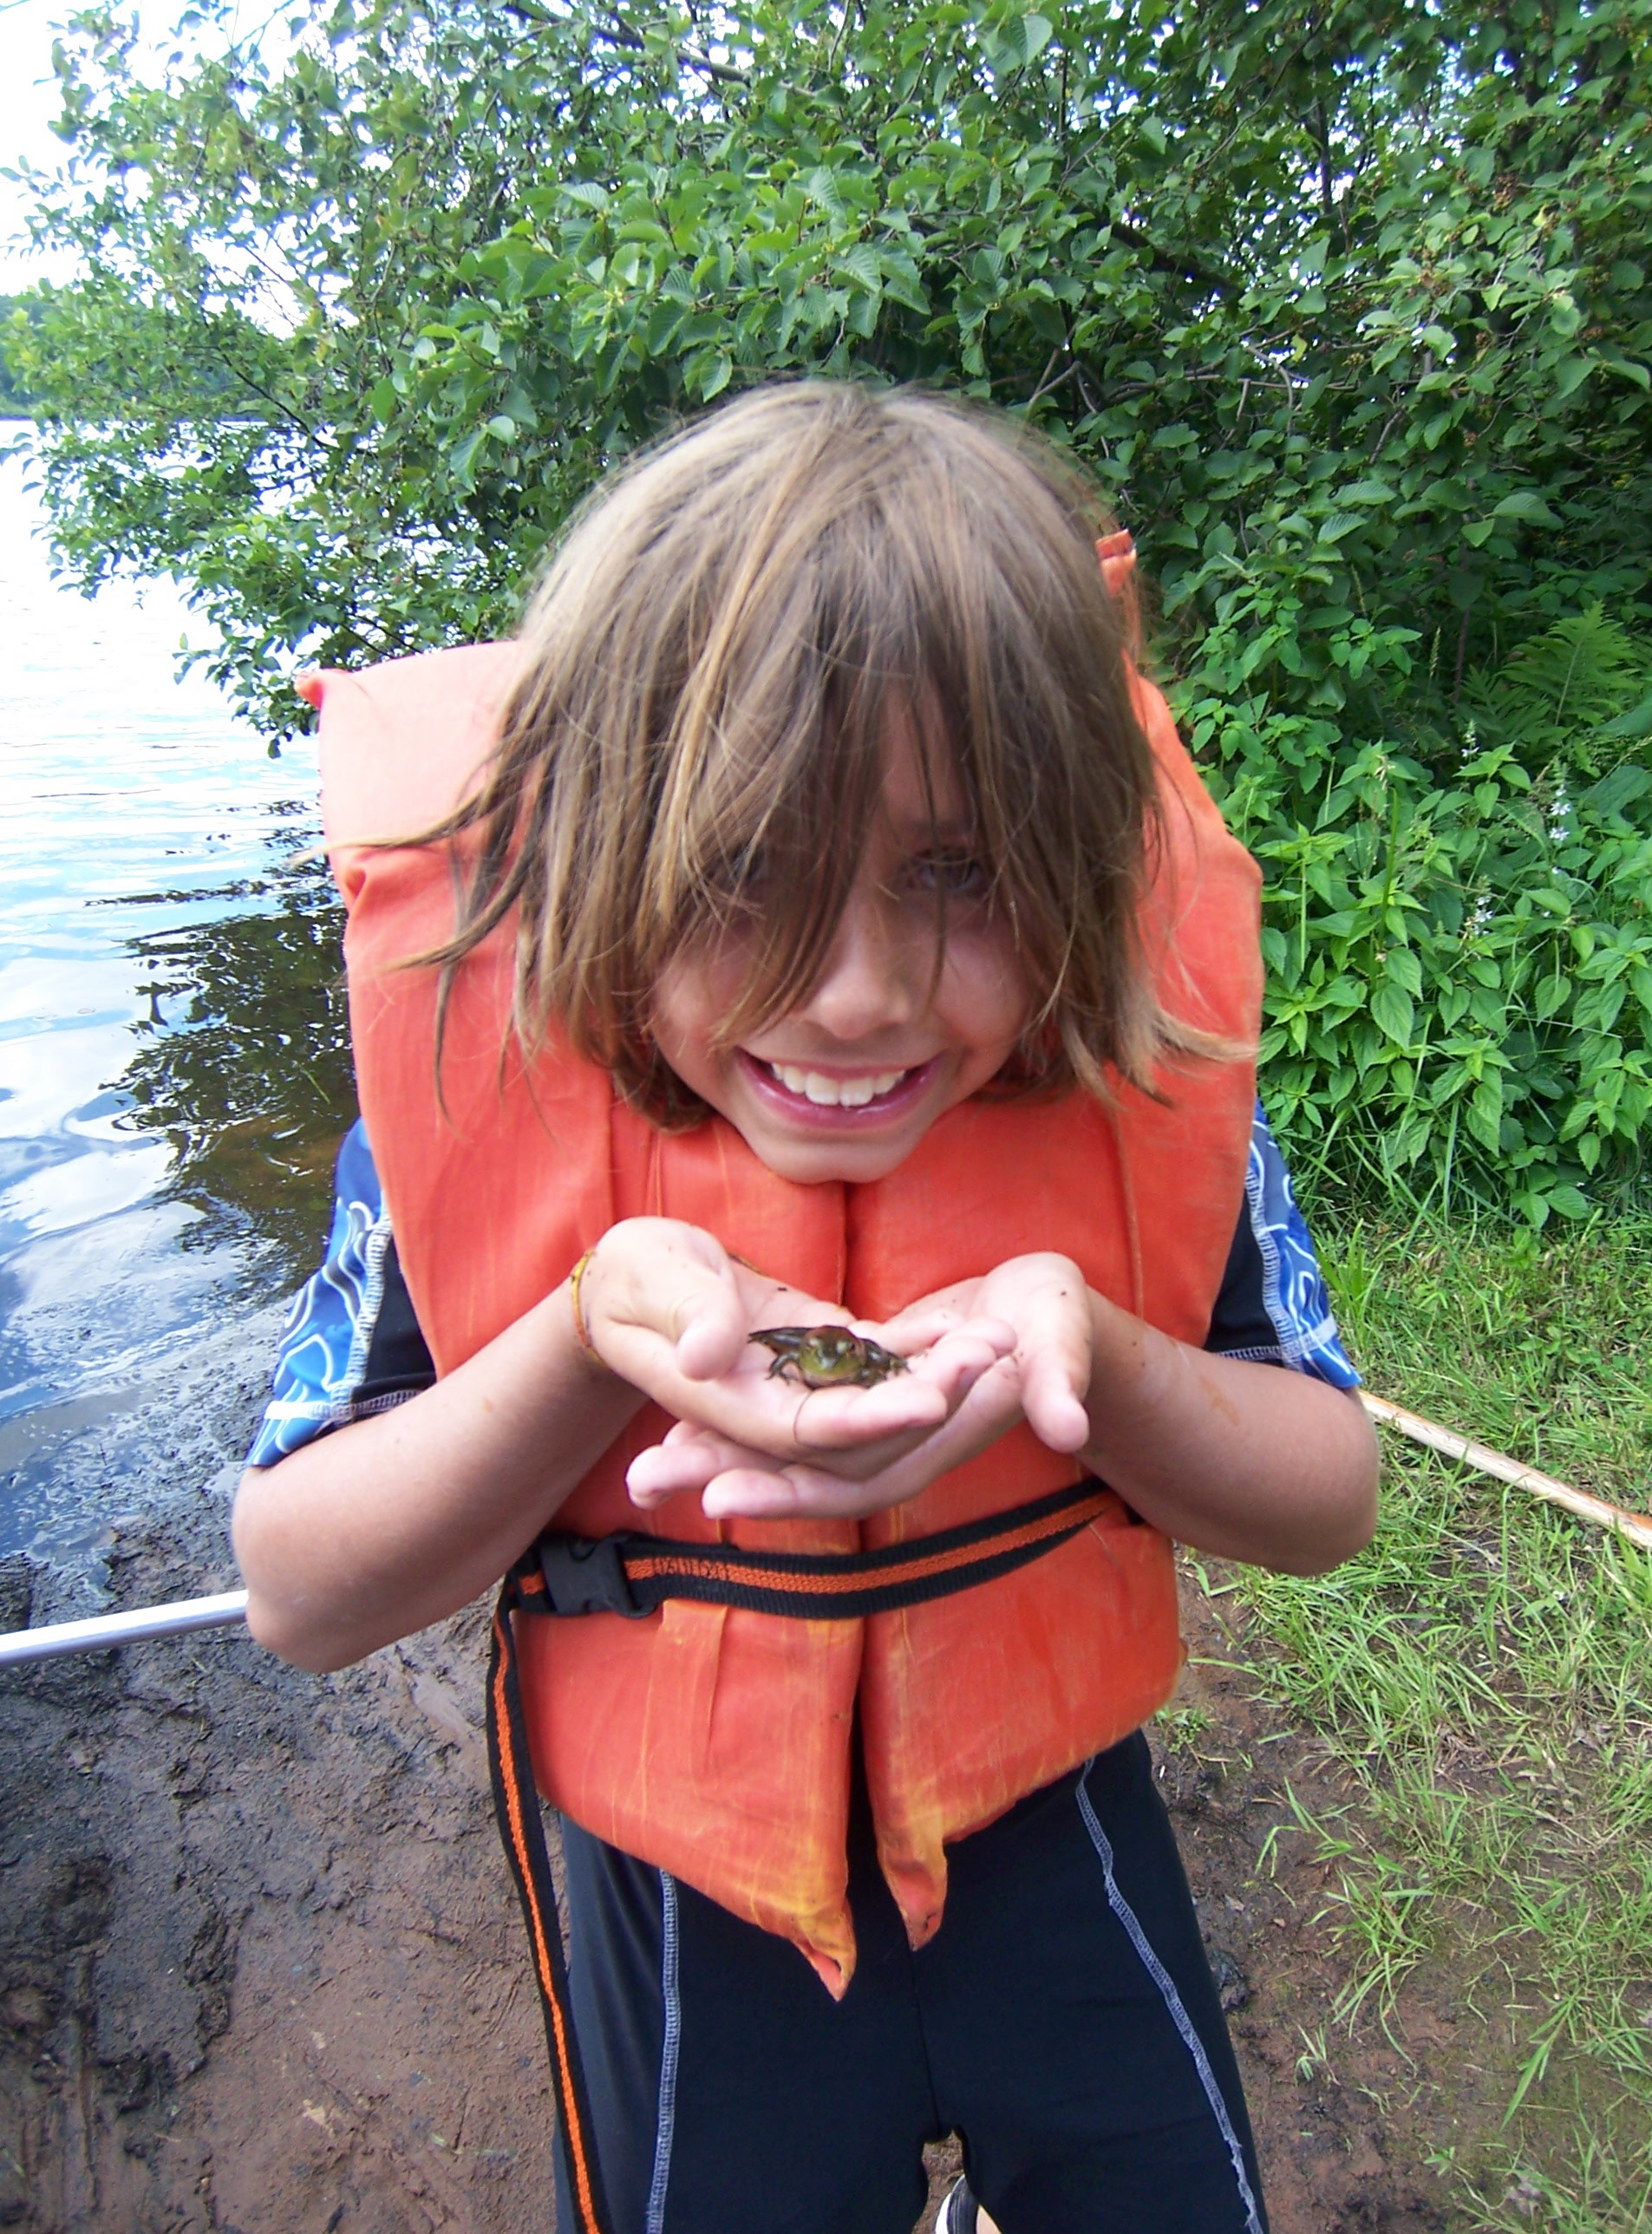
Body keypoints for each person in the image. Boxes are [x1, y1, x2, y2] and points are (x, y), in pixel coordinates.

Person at [232, 382, 1378, 2234]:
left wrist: (1096, 1356)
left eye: (959, 871)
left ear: (1078, 857)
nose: (855, 994)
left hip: (1055, 1829)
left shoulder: (1134, 1072)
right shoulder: (471, 1094)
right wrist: (585, 1334)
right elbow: (299, 1589)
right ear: (603, 855)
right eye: (742, 865)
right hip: (689, 1905)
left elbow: (1326, 1496)